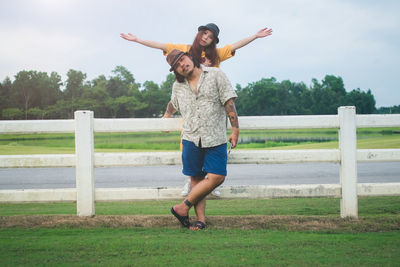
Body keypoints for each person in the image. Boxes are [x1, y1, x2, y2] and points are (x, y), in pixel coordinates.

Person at [121, 23, 271, 196]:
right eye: (204, 33)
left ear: (214, 41)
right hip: (192, 106)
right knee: (190, 146)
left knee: (214, 144)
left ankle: (212, 182)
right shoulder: (185, 51)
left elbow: (236, 45)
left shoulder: (216, 55)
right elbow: (161, 46)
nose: (205, 38)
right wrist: (137, 39)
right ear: (199, 33)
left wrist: (255, 36)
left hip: (212, 108)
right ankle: (191, 181)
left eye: (210, 36)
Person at [163, 49, 239, 230]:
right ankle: (200, 220)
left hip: (215, 136)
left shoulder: (215, 74)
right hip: (190, 137)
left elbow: (229, 102)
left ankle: (182, 207)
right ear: (176, 71)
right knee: (196, 178)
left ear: (190, 57)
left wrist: (235, 129)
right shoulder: (177, 86)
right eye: (177, 65)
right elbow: (173, 103)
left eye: (183, 59)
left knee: (217, 176)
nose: (182, 65)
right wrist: (166, 115)